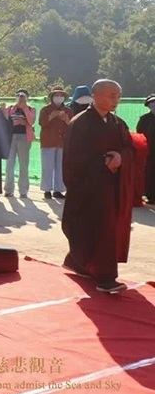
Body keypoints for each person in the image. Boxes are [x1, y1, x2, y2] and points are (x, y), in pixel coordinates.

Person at [61, 79, 135, 293]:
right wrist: (102, 163)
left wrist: (120, 157)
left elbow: (129, 148)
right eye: (112, 95)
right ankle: (105, 279)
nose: (116, 99)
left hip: (111, 188)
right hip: (87, 189)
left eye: (118, 96)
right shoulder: (80, 123)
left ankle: (79, 263)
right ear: (95, 95)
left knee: (105, 231)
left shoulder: (118, 123)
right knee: (94, 230)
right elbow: (73, 158)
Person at [39, 87, 73, 199]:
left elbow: (72, 126)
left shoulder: (68, 111)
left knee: (61, 168)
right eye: (56, 95)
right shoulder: (45, 110)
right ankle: (47, 190)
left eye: (61, 95)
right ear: (52, 97)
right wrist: (51, 116)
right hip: (48, 142)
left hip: (62, 142)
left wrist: (66, 119)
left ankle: (58, 190)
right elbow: (41, 123)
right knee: (47, 167)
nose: (59, 97)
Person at [3, 89, 36, 198]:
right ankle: (8, 190)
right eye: (18, 96)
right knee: (9, 164)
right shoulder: (10, 108)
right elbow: (5, 120)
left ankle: (23, 191)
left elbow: (31, 121)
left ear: (27, 97)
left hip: (24, 137)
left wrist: (24, 110)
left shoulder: (31, 109)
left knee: (23, 165)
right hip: (11, 138)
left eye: (23, 96)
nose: (21, 98)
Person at [137, 94, 155, 204]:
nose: (154, 105)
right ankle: (150, 196)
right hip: (149, 152)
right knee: (149, 173)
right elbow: (139, 135)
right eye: (152, 104)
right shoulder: (144, 119)